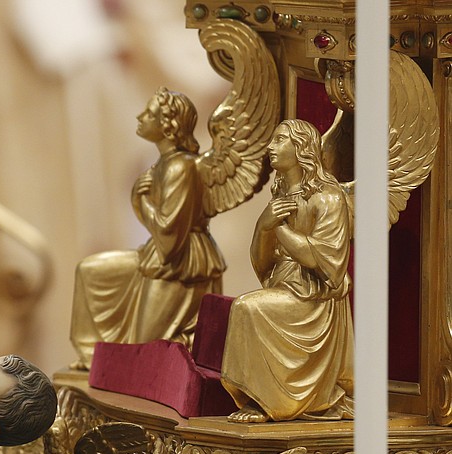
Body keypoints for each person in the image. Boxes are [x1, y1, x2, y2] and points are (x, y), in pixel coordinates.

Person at [69, 88, 226, 370]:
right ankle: (94, 357)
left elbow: (169, 236)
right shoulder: (163, 164)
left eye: (150, 113)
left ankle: (128, 366)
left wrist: (140, 203)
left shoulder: (182, 168)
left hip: (180, 267)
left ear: (169, 125)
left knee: (143, 350)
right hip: (158, 258)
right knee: (90, 270)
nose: (141, 117)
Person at [221, 119, 354, 423]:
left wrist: (277, 228)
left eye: (280, 140)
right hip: (285, 286)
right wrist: (262, 226)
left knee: (245, 308)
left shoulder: (329, 197)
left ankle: (267, 402)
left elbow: (330, 265)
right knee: (246, 307)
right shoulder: (280, 196)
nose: (271, 146)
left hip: (315, 301)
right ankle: (262, 399)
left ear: (302, 148)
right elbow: (262, 263)